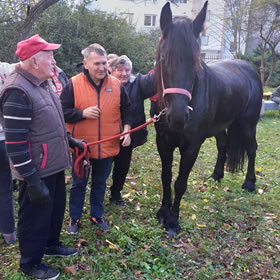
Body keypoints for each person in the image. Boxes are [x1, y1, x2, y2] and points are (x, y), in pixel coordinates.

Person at [0, 34, 85, 280]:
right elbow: (15, 143)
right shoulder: (17, 90)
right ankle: (30, 263)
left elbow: (54, 122)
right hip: (36, 170)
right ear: (35, 61)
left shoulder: (43, 82)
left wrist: (71, 141)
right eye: (50, 56)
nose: (54, 61)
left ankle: (51, 244)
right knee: (34, 217)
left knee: (55, 210)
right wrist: (31, 180)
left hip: (54, 164)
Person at [60, 43, 132, 234]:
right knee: (79, 184)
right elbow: (61, 112)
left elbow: (127, 109)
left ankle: (96, 215)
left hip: (107, 146)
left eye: (103, 63)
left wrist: (126, 129)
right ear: (85, 63)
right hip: (81, 147)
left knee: (100, 183)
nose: (101, 68)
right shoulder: (73, 84)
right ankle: (74, 218)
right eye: (96, 64)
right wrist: (82, 113)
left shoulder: (116, 85)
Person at [109, 55, 155, 205]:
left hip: (127, 136)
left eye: (127, 70)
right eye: (119, 70)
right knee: (103, 167)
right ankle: (97, 193)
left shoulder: (138, 83)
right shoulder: (104, 84)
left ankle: (116, 193)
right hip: (106, 134)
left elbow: (154, 80)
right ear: (111, 70)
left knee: (122, 166)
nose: (124, 73)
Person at [0, 62, 16, 245]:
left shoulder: (7, 69)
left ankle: (9, 231)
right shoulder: (6, 69)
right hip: (5, 137)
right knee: (4, 189)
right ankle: (9, 233)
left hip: (5, 139)